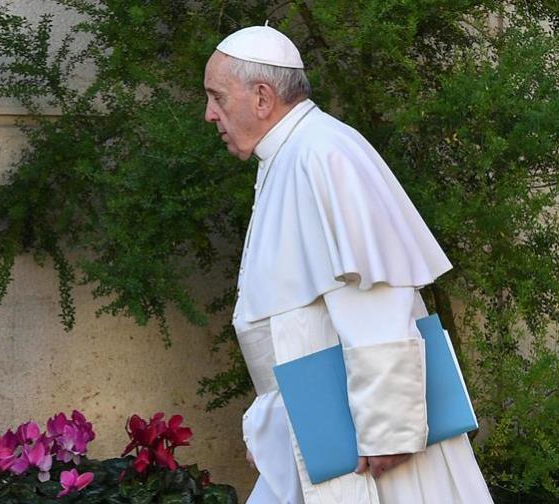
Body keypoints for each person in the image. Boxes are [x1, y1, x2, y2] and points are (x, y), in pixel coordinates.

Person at [203, 24, 494, 504]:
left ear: (262, 97)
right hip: (325, 430)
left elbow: (375, 296)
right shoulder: (290, 155)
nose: (209, 113)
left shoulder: (324, 152)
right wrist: (275, 428)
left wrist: (388, 431)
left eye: (217, 97)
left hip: (370, 445)